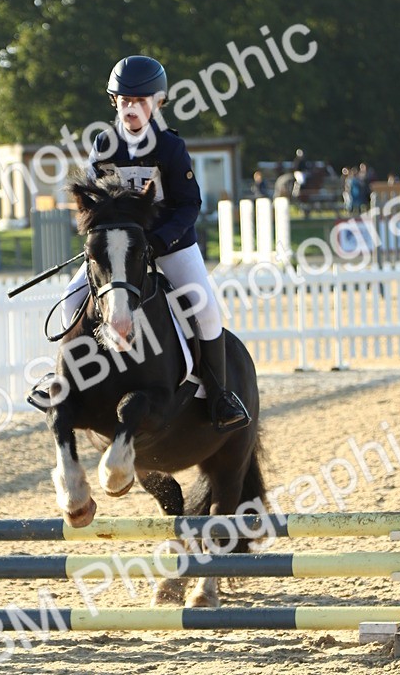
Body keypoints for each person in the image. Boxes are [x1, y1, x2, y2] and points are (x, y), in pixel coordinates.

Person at [27, 54, 250, 432]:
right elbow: (95, 201)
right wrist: (99, 241)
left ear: (157, 103)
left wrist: (159, 241)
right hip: (119, 251)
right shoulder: (104, 143)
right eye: (125, 100)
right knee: (70, 302)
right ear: (114, 102)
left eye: (141, 100)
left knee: (207, 309)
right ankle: (62, 381)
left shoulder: (169, 148)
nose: (132, 107)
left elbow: (188, 204)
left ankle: (218, 395)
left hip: (170, 243)